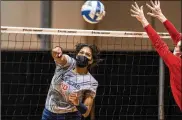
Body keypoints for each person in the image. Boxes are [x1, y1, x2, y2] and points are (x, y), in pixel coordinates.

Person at [130, 1, 182, 111]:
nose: (177, 41)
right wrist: (161, 16)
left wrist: (143, 20)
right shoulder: (179, 55)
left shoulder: (177, 64)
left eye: (177, 44)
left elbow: (159, 44)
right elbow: (177, 37)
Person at [41, 43, 100, 120]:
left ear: (91, 61)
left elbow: (86, 113)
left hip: (70, 116)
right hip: (49, 112)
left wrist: (77, 103)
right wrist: (56, 50)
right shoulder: (68, 63)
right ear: (77, 55)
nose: (83, 56)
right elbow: (60, 58)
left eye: (87, 54)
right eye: (81, 53)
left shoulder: (91, 82)